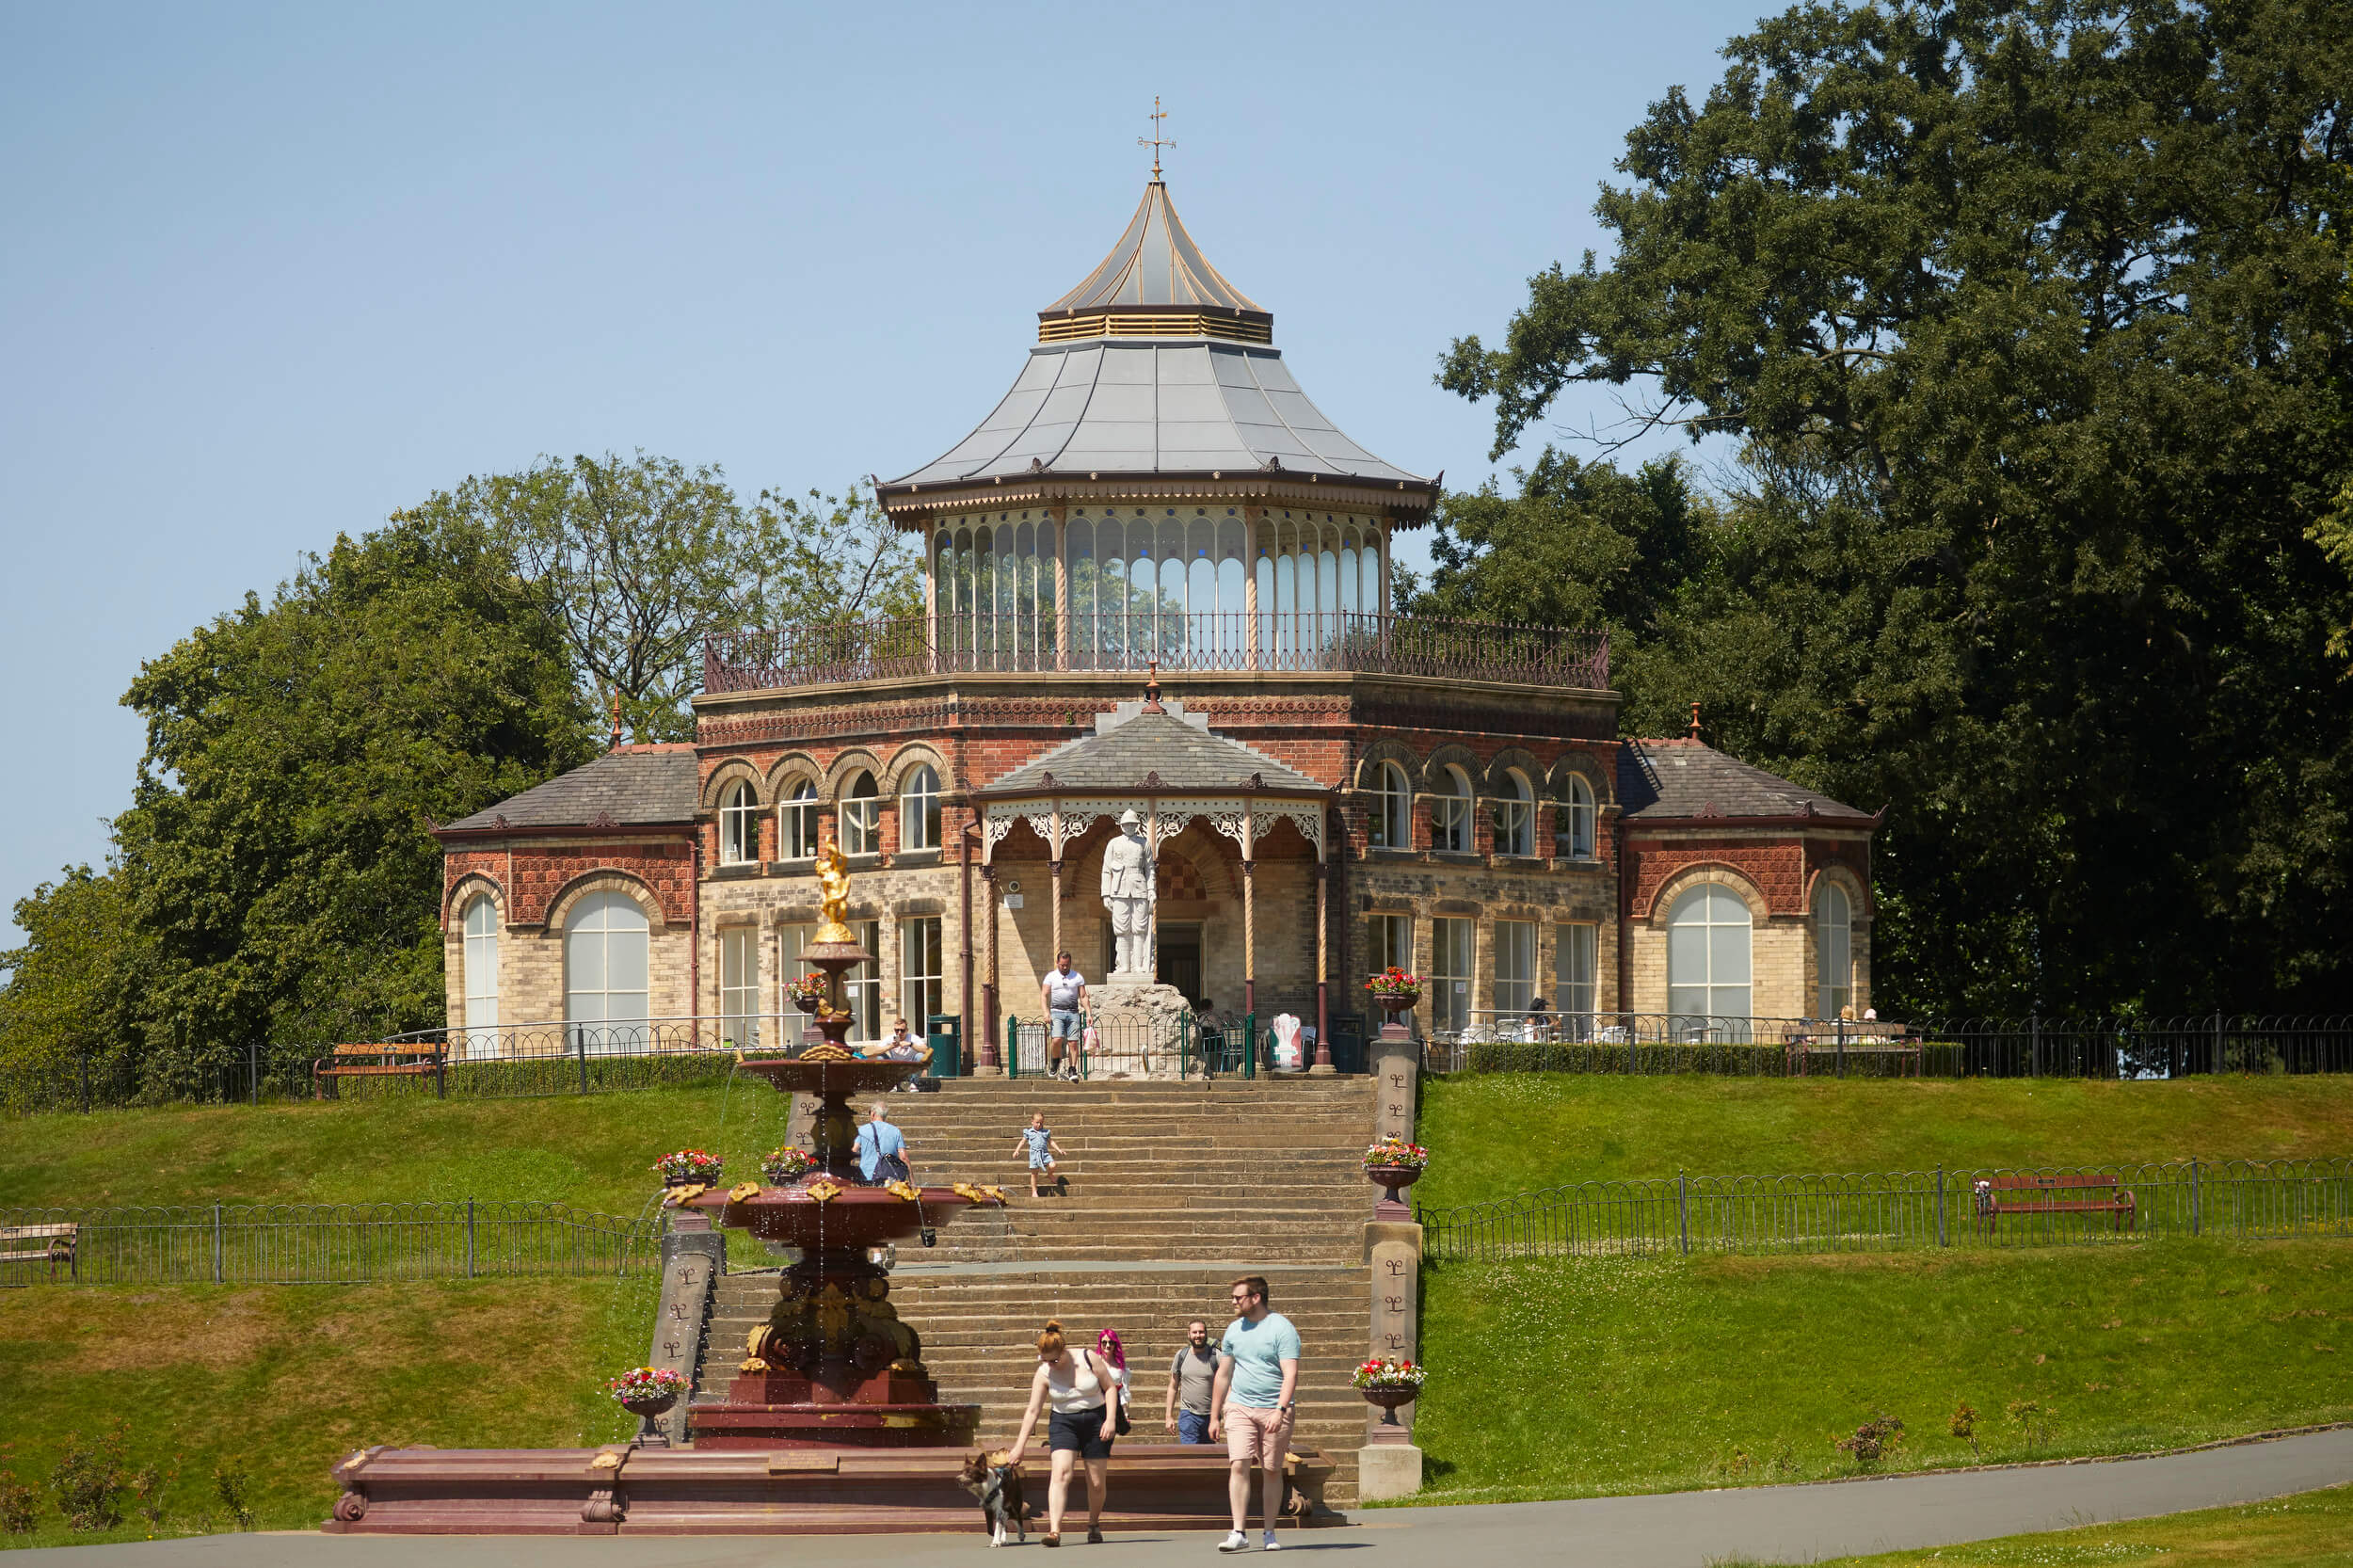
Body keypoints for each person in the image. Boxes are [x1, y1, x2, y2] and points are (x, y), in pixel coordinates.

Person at [1006, 1318, 1118, 1547]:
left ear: (1064, 1350)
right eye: (1046, 1360)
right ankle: (1054, 1531)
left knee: (1096, 1482)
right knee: (1060, 1473)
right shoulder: (1044, 1372)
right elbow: (1033, 1410)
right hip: (1063, 1422)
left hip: (1096, 1420)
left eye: (1055, 1360)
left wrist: (1110, 1419)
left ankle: (1093, 1524)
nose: (1052, 1365)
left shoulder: (1088, 1358)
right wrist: (1020, 1446)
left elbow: (1110, 1389)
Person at [1209, 1275, 1301, 1553]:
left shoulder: (1282, 1329)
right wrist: (1215, 1415)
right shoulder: (1234, 1330)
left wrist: (1280, 1410)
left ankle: (1270, 1532)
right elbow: (1223, 1375)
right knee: (1238, 1464)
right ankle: (1238, 1531)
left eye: (1238, 1297)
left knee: (1272, 1470)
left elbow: (1290, 1374)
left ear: (1256, 1298)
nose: (1233, 1302)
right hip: (1239, 1406)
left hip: (1274, 1408)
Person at [1165, 1319, 1216, 1444]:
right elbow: (1173, 1386)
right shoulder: (1181, 1355)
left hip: (1210, 1415)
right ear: (1189, 1335)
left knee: (1208, 1459)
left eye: (1201, 1332)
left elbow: (1226, 1385)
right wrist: (1168, 1416)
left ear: (1206, 1334)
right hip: (1188, 1414)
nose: (1198, 1335)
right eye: (1194, 1332)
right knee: (1191, 1455)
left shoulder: (1216, 1356)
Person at [1041, 951, 1089, 1081]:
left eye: (1067, 964)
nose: (1065, 967)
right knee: (1056, 1040)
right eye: (1062, 965)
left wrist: (1089, 1013)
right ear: (1057, 963)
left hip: (1073, 1012)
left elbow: (1083, 996)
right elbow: (1044, 995)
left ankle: (1072, 1068)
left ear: (1070, 963)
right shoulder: (1051, 977)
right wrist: (1046, 1012)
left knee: (1073, 1042)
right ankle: (1055, 1061)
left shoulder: (1077, 977)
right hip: (1057, 1011)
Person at [1014, 1111, 1066, 1199]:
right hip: (1034, 1155)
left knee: (1053, 1165)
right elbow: (1022, 1141)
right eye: (1037, 1122)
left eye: (1041, 1123)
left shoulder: (1045, 1132)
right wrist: (1017, 1150)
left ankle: (1050, 1174)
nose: (1039, 1125)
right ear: (1032, 1122)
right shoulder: (1029, 1132)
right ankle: (1034, 1190)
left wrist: (1059, 1150)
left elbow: (1051, 1142)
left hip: (1045, 1154)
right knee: (1034, 1174)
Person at [856, 1102, 909, 1185]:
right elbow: (904, 1158)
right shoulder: (895, 1131)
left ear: (873, 1114)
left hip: (866, 1176)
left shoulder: (862, 1130)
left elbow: (854, 1151)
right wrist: (913, 1182)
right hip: (889, 1178)